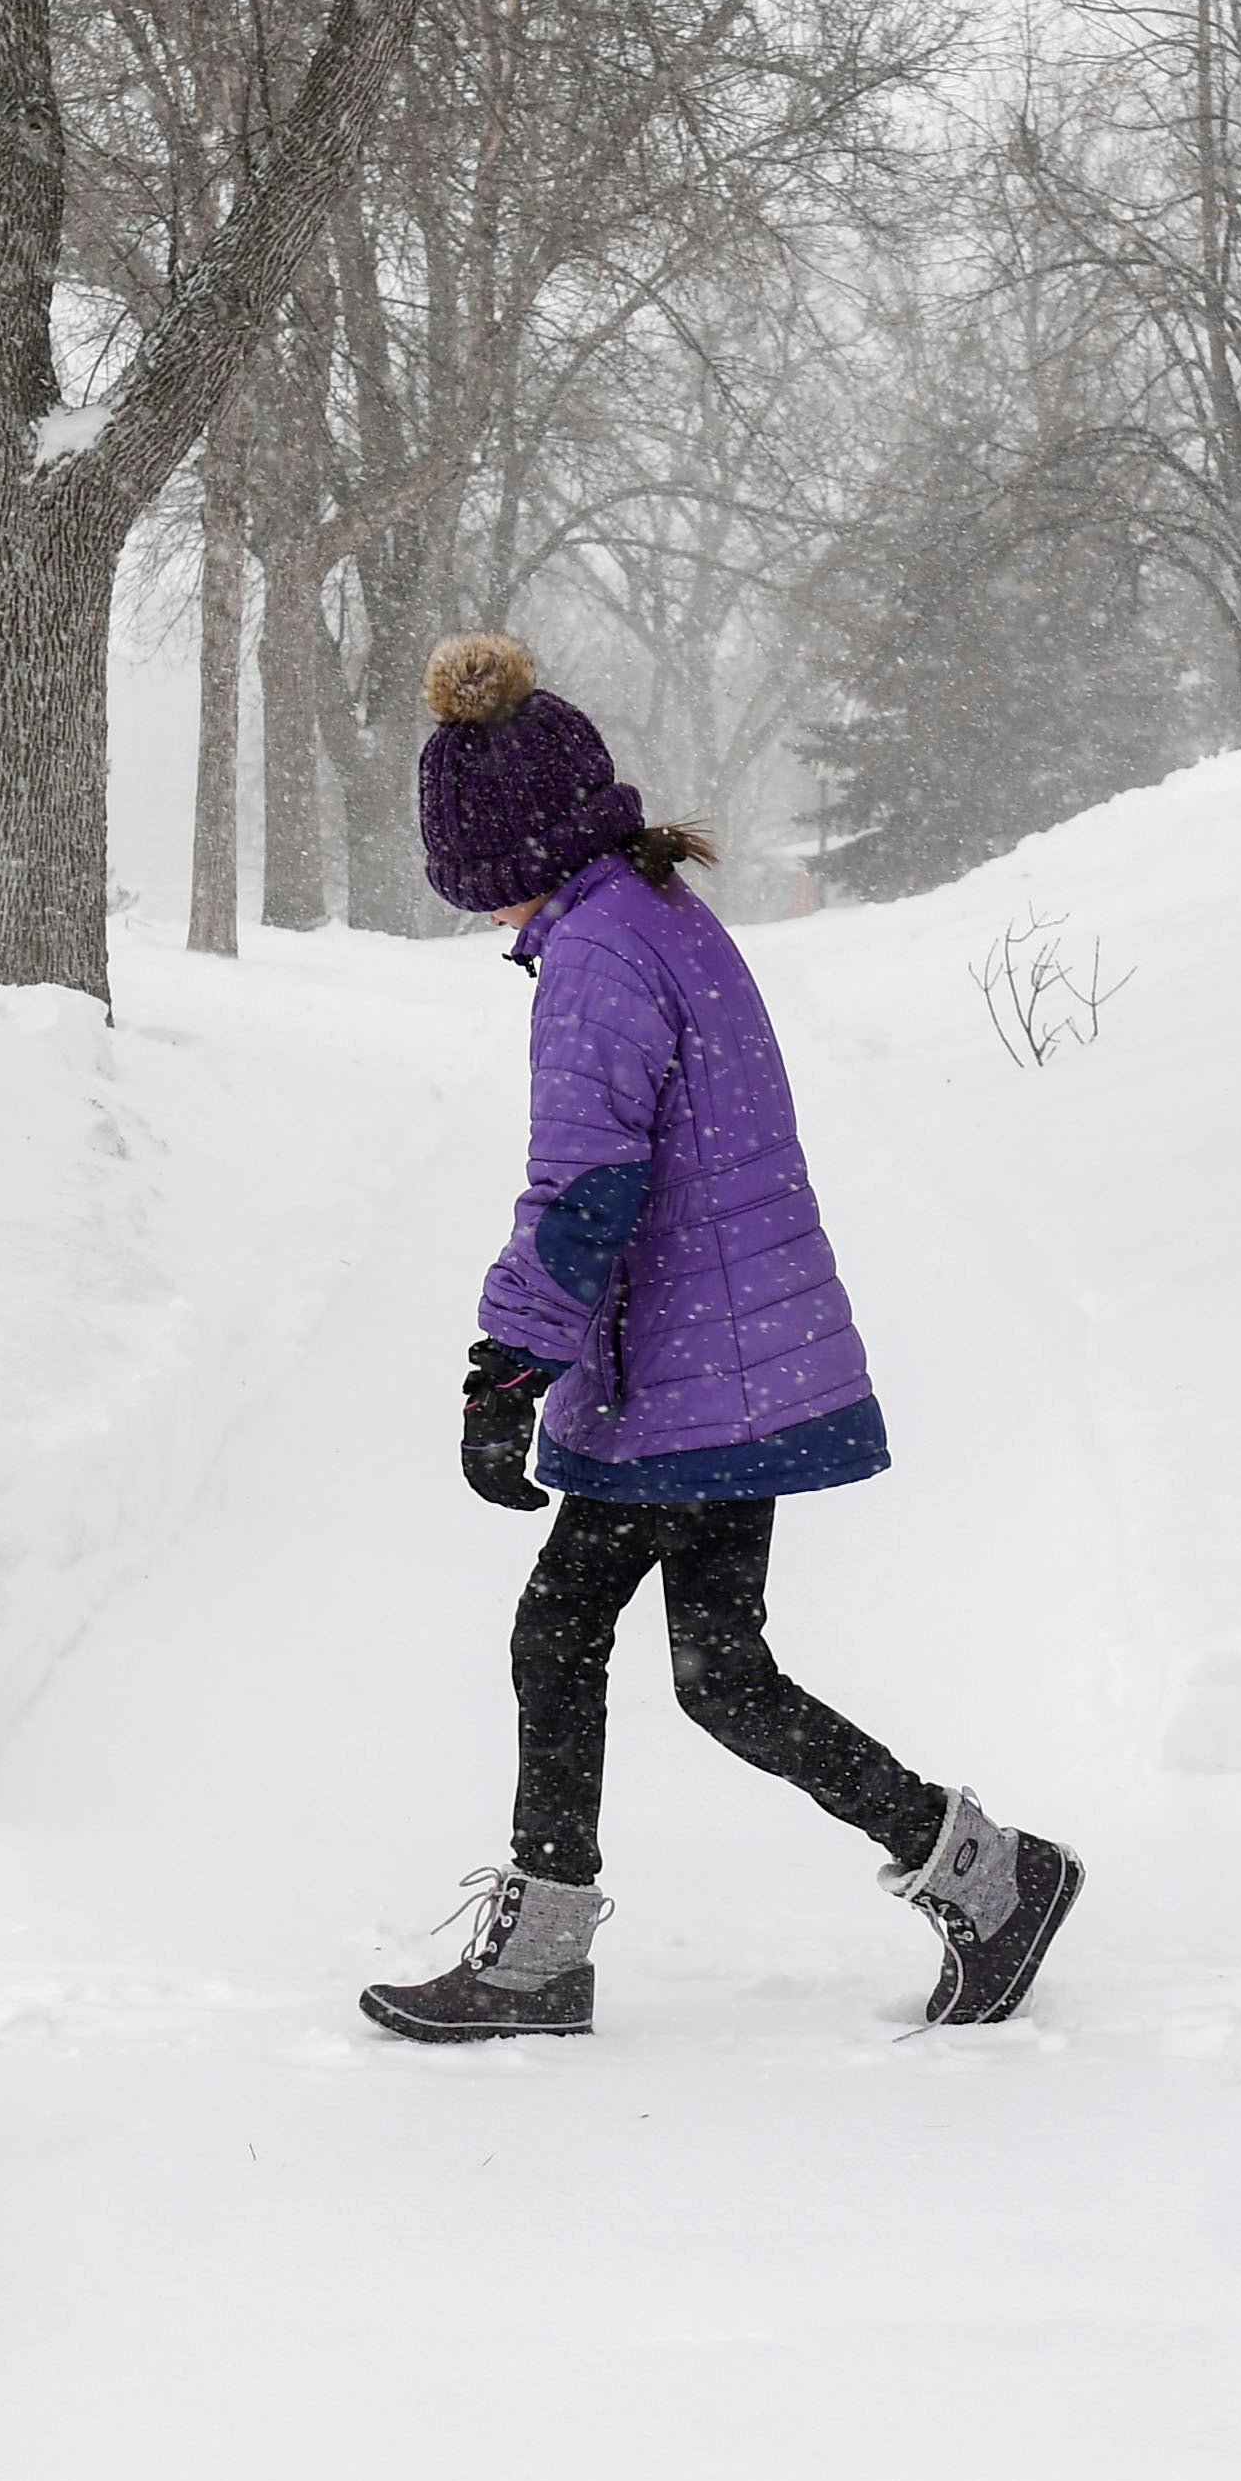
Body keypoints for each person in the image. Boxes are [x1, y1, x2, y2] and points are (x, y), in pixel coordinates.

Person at [358, 631, 1083, 2045]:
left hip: (693, 1371)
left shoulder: (596, 955)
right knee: (705, 1669)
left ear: (494, 843)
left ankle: (544, 1960)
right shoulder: (651, 912)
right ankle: (991, 1880)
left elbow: (587, 1180)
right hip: (712, 1362)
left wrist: (506, 1365)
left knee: (574, 1634)